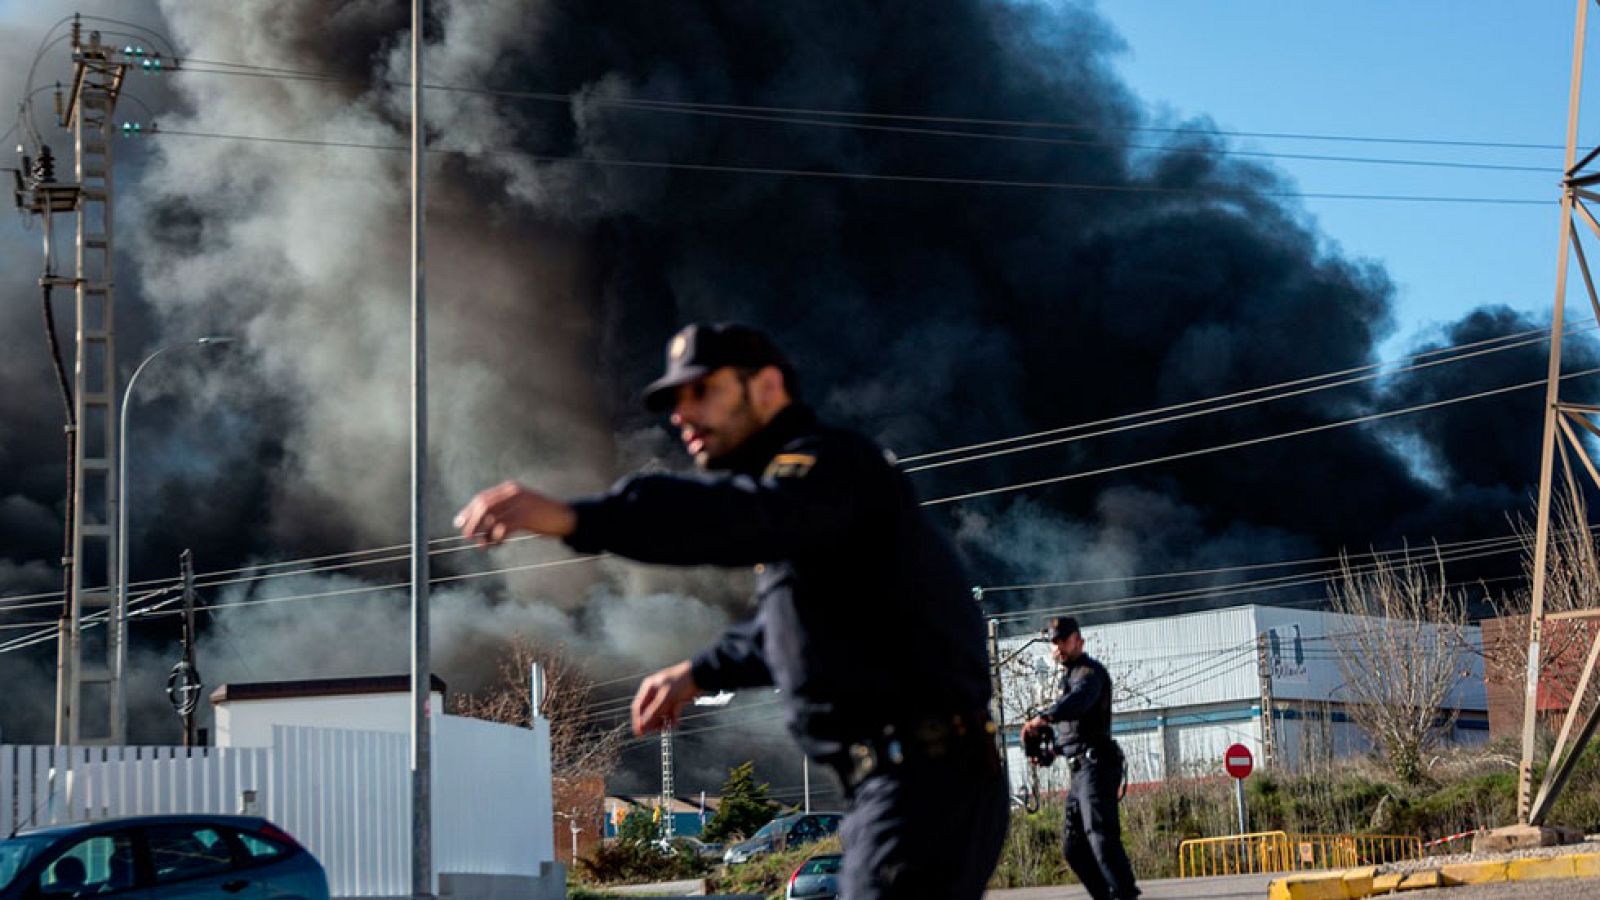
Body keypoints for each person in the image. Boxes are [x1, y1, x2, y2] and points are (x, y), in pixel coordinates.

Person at [456, 322, 1008, 898]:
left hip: (922, 785)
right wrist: (698, 673)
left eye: (701, 391)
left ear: (766, 386)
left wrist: (577, 518)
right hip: (914, 786)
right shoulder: (806, 506)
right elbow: (789, 627)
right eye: (673, 401)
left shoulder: (829, 467)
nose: (681, 414)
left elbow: (739, 519)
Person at [1023, 616, 1139, 900]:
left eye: (1064, 640)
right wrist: (1050, 752)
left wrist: (1045, 717)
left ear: (1078, 640)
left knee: (1100, 835)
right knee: (1073, 847)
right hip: (1080, 771)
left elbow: (1079, 702)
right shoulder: (1070, 677)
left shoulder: (1089, 674)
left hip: (1096, 767)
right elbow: (1074, 734)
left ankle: (1125, 894)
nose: (1059, 647)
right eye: (1054, 642)